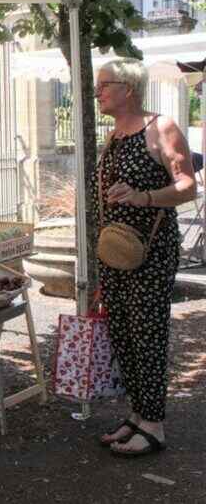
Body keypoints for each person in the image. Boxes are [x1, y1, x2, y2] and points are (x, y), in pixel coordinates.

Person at [93, 59, 197, 456]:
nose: (98, 92)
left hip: (150, 252)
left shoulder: (160, 127)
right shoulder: (115, 135)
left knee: (147, 333)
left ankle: (154, 425)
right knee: (121, 332)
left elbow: (188, 185)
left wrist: (145, 197)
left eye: (105, 85)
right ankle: (138, 414)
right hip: (115, 251)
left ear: (129, 89)